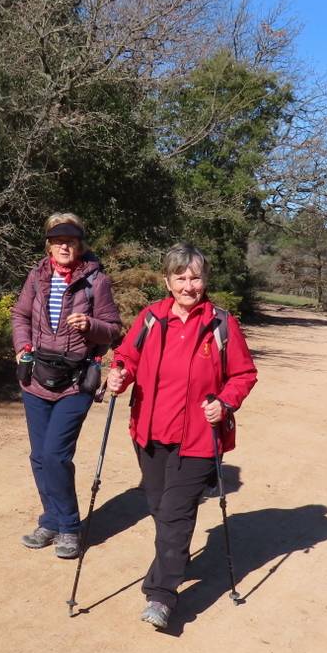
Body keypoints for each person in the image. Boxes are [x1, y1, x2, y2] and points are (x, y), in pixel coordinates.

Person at [106, 243, 257, 629]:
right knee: (160, 509)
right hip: (151, 433)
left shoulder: (221, 324)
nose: (189, 285)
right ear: (167, 281)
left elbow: (243, 374)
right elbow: (127, 358)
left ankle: (161, 595)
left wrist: (224, 402)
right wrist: (118, 374)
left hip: (199, 438)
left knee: (175, 513)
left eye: (195, 277)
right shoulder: (151, 319)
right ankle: (174, 559)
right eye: (181, 277)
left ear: (205, 281)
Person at [11, 213, 123, 559]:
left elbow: (113, 329)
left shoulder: (96, 280)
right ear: (49, 244)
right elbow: (21, 316)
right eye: (58, 240)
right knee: (39, 457)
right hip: (36, 377)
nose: (64, 245)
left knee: (56, 455)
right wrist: (22, 347)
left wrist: (90, 324)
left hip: (76, 381)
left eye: (70, 240)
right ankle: (50, 520)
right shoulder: (37, 277)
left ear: (80, 244)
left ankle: (70, 527)